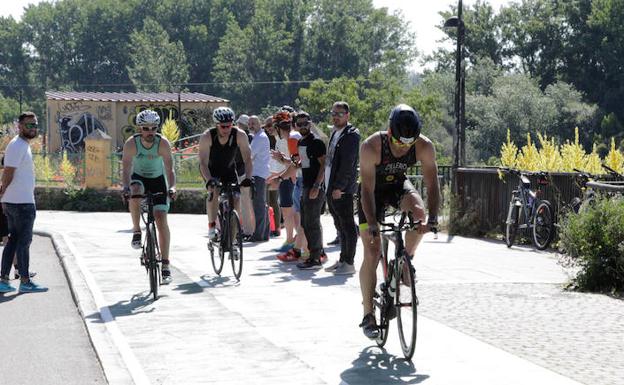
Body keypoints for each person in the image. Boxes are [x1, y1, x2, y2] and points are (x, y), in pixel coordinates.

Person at [357, 104, 440, 339]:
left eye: (408, 144)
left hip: (396, 186)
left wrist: (432, 218)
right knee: (372, 252)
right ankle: (368, 314)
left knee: (419, 213)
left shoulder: (424, 146)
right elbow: (366, 190)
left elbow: (433, 186)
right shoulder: (371, 146)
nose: (404, 148)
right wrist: (373, 223)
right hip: (371, 193)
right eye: (399, 143)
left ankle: (405, 260)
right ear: (389, 132)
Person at [121, 109, 177, 284]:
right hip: (139, 178)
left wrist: (173, 187)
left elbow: (169, 169)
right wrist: (125, 187)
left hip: (158, 180)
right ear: (139, 129)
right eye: (146, 128)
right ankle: (137, 230)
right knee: (135, 189)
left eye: (153, 128)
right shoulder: (132, 144)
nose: (150, 132)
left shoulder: (163, 143)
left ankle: (166, 265)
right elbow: (126, 168)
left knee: (161, 219)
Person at [0, 112, 47, 293]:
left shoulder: (21, 145)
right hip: (21, 203)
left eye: (35, 125)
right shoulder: (18, 145)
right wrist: (2, 193)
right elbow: (9, 172)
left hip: (17, 201)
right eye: (28, 125)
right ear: (19, 127)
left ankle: (4, 280)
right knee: (23, 242)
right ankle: (25, 281)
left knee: (13, 241)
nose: (33, 128)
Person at [198, 107, 253, 240]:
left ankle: (233, 239)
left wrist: (248, 178)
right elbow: (203, 163)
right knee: (214, 191)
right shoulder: (207, 136)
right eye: (223, 127)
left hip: (229, 170)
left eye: (229, 126)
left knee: (236, 198)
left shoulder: (239, 135)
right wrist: (209, 180)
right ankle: (212, 225)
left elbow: (247, 159)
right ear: (216, 125)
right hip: (211, 170)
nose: (227, 129)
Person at [324, 101, 360, 275]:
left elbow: (347, 164)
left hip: (342, 189)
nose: (335, 116)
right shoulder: (335, 132)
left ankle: (349, 262)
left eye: (339, 114)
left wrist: (339, 187)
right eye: (333, 113)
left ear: (348, 115)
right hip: (331, 185)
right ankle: (342, 259)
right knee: (340, 225)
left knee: (347, 226)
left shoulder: (351, 135)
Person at [291, 111, 327, 269]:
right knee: (305, 222)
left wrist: (317, 186)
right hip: (305, 185)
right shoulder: (301, 143)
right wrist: (285, 161)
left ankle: (316, 258)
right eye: (300, 124)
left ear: (310, 123)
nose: (303, 126)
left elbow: (324, 165)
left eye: (306, 123)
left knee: (312, 222)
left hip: (314, 187)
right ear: (296, 126)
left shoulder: (317, 142)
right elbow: (303, 164)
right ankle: (315, 254)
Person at [269, 111, 301, 253]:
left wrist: (281, 177)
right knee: (294, 212)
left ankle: (298, 244)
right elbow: (294, 162)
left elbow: (296, 164)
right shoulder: (290, 137)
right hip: (292, 177)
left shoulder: (292, 138)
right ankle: (297, 244)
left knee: (294, 213)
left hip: (294, 178)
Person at [248, 115, 270, 242]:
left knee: (259, 205)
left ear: (260, 123)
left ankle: (258, 235)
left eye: (254, 123)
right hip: (260, 173)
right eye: (250, 123)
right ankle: (264, 233)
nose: (251, 125)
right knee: (262, 204)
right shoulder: (258, 137)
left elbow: (250, 155)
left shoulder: (260, 138)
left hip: (258, 174)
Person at [236, 114, 255, 237]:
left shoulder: (241, 137)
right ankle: (246, 230)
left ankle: (245, 230)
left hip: (240, 172)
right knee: (245, 203)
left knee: (243, 203)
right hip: (244, 171)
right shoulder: (250, 137)